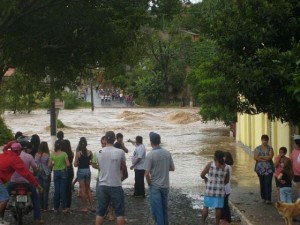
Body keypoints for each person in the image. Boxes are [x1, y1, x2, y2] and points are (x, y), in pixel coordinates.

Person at [0, 143, 43, 225]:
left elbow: (5, 147)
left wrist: (14, 141)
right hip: (25, 183)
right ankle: (37, 218)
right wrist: (38, 185)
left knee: (5, 198)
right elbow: (27, 174)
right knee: (35, 198)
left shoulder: (5, 153)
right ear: (20, 150)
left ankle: (1, 217)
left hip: (12, 183)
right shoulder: (18, 159)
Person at [95, 131, 127, 225]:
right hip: (116, 184)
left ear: (105, 139)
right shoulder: (120, 152)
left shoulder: (98, 152)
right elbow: (123, 166)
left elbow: (100, 166)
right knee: (120, 213)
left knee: (100, 212)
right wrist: (122, 175)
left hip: (102, 184)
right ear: (114, 139)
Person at [144, 132, 175, 225]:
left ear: (151, 142)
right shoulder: (167, 153)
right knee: (164, 209)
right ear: (160, 141)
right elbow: (172, 168)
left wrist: (150, 184)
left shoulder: (150, 155)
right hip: (165, 185)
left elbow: (146, 174)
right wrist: (163, 168)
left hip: (155, 186)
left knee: (157, 211)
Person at [201, 150, 230, 225]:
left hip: (209, 190)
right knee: (218, 208)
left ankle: (202, 222)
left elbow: (202, 174)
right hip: (220, 191)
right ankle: (217, 223)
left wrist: (206, 178)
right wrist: (220, 183)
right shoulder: (226, 167)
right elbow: (227, 180)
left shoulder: (211, 164)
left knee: (206, 206)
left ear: (215, 157)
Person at [48, 140, 70, 212]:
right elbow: (68, 164)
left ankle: (55, 207)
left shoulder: (52, 154)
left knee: (56, 190)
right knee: (62, 190)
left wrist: (54, 164)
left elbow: (49, 165)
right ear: (61, 146)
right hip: (63, 172)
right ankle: (64, 207)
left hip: (56, 172)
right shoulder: (64, 154)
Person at [74, 137, 94, 212]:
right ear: (86, 144)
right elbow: (92, 162)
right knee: (88, 189)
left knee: (83, 190)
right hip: (88, 171)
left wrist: (79, 162)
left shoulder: (78, 153)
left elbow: (75, 165)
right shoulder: (90, 152)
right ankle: (92, 207)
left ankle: (84, 207)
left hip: (81, 171)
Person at [253, 134, 274, 204]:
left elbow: (270, 157)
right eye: (264, 140)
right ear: (261, 140)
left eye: (266, 140)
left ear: (268, 141)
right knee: (262, 183)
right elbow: (255, 157)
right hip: (259, 169)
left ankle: (268, 198)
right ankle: (263, 197)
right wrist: (264, 158)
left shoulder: (270, 148)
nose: (265, 141)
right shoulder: (257, 148)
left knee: (268, 183)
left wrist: (261, 157)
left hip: (269, 169)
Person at [35, 141, 52, 211]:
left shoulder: (36, 154)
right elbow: (49, 165)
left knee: (40, 189)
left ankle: (40, 206)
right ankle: (45, 207)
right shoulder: (48, 155)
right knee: (46, 191)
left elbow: (35, 164)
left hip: (39, 172)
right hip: (46, 172)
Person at [220, 152, 234, 225]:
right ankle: (226, 219)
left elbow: (225, 179)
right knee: (225, 204)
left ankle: (226, 219)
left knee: (224, 204)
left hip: (225, 188)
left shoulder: (226, 167)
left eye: (223, 157)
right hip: (227, 188)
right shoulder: (229, 166)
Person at [61, 139, 74, 211]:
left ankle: (64, 204)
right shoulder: (71, 153)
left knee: (63, 188)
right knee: (69, 189)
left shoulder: (62, 154)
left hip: (64, 170)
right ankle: (68, 206)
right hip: (71, 170)